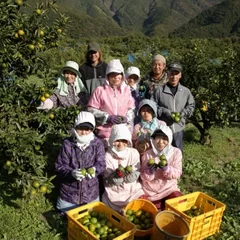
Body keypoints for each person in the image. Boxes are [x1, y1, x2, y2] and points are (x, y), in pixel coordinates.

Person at [55, 111, 106, 212]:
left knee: (93, 213)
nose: (84, 132)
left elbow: (101, 163)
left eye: (87, 129)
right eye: (80, 128)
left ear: (92, 129)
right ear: (75, 128)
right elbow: (59, 166)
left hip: (90, 191)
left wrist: (95, 170)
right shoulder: (68, 144)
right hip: (70, 192)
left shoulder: (98, 144)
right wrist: (71, 173)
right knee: (64, 213)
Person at [87, 59, 135, 148]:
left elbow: (131, 108)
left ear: (122, 75)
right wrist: (107, 117)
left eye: (118, 74)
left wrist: (126, 118)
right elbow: (91, 110)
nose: (116, 77)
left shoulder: (126, 90)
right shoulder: (100, 90)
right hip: (105, 134)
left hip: (122, 133)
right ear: (108, 76)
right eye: (113, 74)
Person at [151, 62, 195, 152]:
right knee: (163, 154)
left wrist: (184, 113)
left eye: (176, 74)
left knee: (177, 153)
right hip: (163, 129)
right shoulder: (159, 91)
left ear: (180, 75)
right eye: (172, 74)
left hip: (179, 128)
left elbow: (191, 105)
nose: (174, 77)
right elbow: (153, 106)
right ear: (167, 74)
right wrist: (163, 111)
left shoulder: (185, 91)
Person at [102, 124, 144, 212]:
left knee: (141, 208)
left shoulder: (133, 153)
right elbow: (106, 178)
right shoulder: (107, 156)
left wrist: (134, 174)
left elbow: (137, 169)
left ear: (128, 141)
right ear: (112, 140)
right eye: (117, 140)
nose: (120, 144)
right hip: (113, 193)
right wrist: (114, 178)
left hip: (133, 191)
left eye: (123, 140)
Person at [140, 125, 182, 211]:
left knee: (179, 205)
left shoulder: (176, 152)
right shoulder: (147, 154)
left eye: (164, 139)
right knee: (154, 212)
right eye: (158, 138)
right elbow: (143, 177)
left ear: (169, 139)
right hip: (151, 191)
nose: (160, 142)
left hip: (169, 188)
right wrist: (149, 172)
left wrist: (167, 169)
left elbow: (178, 173)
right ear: (153, 139)